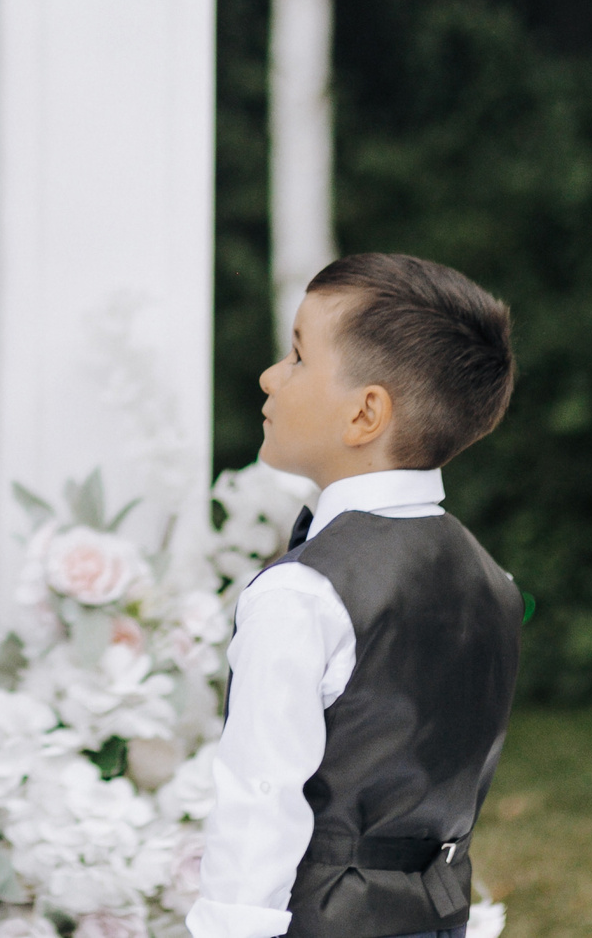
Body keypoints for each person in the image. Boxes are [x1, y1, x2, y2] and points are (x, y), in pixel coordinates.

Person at [189, 253, 522, 938]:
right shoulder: (495, 582)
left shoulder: (303, 593)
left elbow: (260, 798)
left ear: (366, 412)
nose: (270, 375)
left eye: (298, 356)